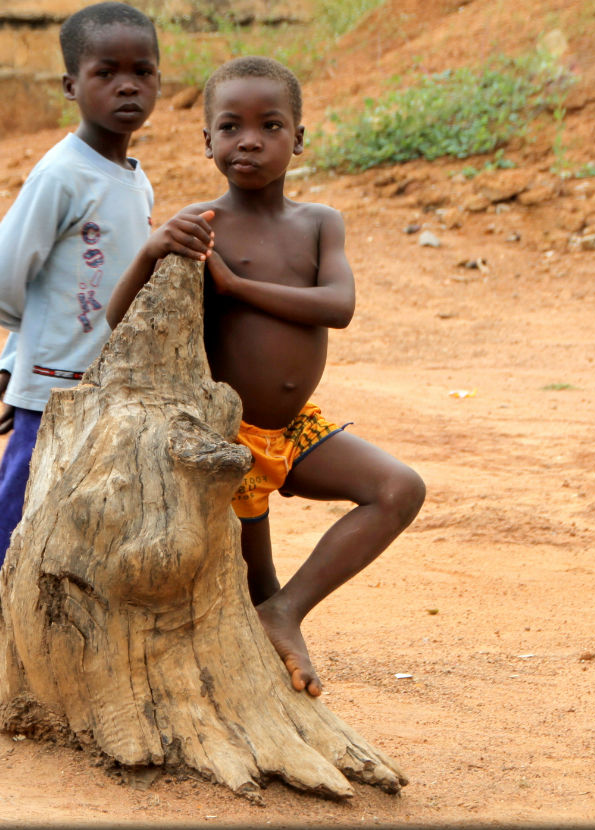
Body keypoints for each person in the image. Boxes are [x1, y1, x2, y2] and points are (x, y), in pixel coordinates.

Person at [106, 56, 425, 699]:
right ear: (208, 143)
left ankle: (286, 614)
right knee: (257, 579)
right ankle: (269, 661)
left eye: (270, 125)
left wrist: (237, 285)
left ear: (299, 139)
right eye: (230, 127)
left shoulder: (318, 223)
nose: (248, 139)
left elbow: (339, 307)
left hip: (295, 431)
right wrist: (150, 248)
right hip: (226, 443)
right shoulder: (200, 224)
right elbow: (121, 323)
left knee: (398, 489)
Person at [0, 1, 162, 745]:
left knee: (101, 542)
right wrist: (24, 359)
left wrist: (18, 356)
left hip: (112, 397)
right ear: (71, 85)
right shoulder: (62, 173)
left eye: (143, 72)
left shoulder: (134, 177)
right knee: (9, 539)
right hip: (55, 399)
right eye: (106, 73)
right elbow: (0, 281)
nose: (127, 86)